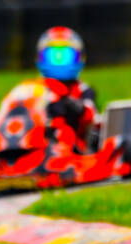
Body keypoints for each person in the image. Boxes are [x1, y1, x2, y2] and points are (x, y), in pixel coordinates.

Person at [34, 26, 98, 154]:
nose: (59, 61)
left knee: (64, 132)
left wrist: (72, 106)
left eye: (65, 56)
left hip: (73, 146)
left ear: (79, 58)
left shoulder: (83, 90)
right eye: (53, 56)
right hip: (36, 139)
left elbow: (91, 115)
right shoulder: (34, 90)